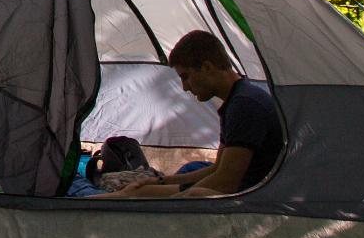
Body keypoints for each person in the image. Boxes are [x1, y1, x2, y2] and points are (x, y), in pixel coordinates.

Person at [96, 30, 284, 199]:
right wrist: (161, 181)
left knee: (138, 196)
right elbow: (218, 168)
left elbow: (225, 183)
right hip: (238, 192)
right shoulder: (238, 98)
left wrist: (175, 196)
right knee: (139, 191)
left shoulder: (245, 105)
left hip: (251, 201)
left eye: (185, 76)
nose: (185, 87)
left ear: (207, 68)